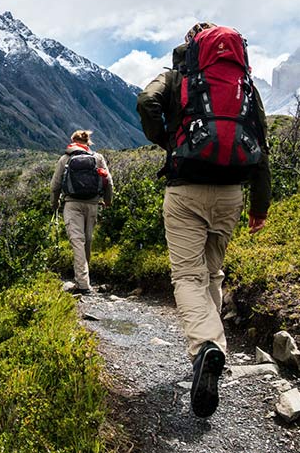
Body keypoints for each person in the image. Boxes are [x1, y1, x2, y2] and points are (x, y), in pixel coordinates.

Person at [136, 22, 271, 418]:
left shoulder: (177, 76)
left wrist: (167, 139)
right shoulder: (243, 84)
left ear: (191, 46)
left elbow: (146, 102)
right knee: (213, 273)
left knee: (187, 277)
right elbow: (261, 142)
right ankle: (211, 350)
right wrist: (259, 207)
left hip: (185, 189)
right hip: (231, 193)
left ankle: (206, 348)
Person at [50, 130, 114, 295]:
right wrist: (107, 201)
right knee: (87, 240)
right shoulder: (97, 158)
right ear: (88, 142)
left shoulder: (65, 159)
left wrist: (55, 203)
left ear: (72, 141)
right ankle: (84, 279)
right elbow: (108, 181)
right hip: (93, 204)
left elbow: (55, 185)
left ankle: (83, 284)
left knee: (77, 241)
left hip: (72, 204)